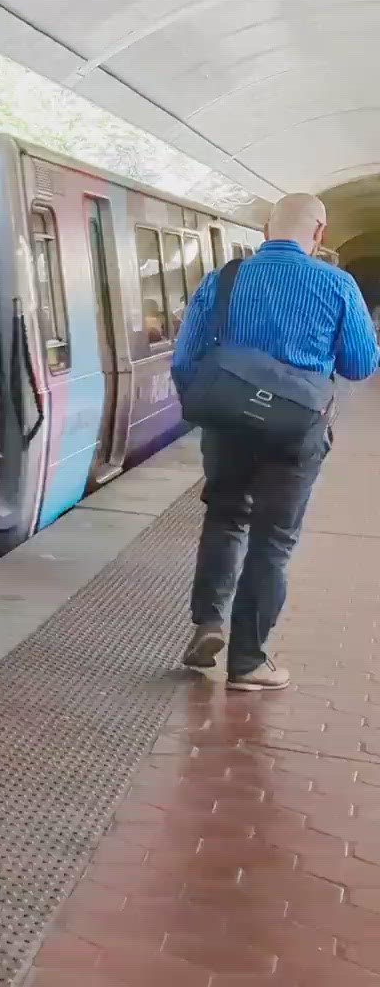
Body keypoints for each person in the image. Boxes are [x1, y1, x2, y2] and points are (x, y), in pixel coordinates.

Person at [172, 193, 378, 690]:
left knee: (224, 517)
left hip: (228, 426)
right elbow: (360, 364)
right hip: (295, 430)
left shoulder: (224, 278)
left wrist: (207, 410)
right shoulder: (337, 284)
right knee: (274, 541)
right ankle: (247, 663)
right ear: (321, 232)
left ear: (266, 228)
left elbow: (185, 359)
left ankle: (208, 624)